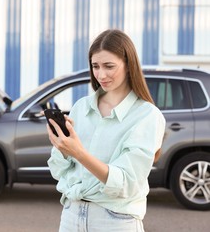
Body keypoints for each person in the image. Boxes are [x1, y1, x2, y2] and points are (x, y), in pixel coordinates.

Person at [46, 29, 166, 231]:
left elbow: (125, 183)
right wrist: (61, 148)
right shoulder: (81, 107)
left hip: (115, 219)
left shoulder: (147, 116)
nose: (101, 74)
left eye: (109, 66)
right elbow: (58, 170)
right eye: (95, 66)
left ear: (129, 65)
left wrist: (79, 153)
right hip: (71, 214)